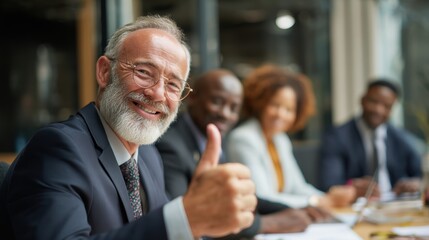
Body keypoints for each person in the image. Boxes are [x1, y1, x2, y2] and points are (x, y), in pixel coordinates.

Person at [0, 15, 257, 240]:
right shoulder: (58, 149)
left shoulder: (148, 155)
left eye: (172, 85)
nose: (157, 93)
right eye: (144, 72)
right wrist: (186, 218)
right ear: (104, 72)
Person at [155, 69, 333, 238]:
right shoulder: (172, 145)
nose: (225, 114)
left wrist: (294, 210)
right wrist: (269, 223)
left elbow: (243, 197)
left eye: (233, 108)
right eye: (217, 101)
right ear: (192, 97)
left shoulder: (217, 136)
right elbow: (186, 217)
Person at [225, 64, 355, 209]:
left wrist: (328, 198)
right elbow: (263, 197)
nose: (281, 114)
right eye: (275, 105)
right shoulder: (244, 138)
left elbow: (297, 187)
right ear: (261, 103)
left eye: (289, 109)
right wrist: (316, 202)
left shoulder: (280, 139)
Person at [318, 79, 422, 200]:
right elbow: (329, 183)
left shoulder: (400, 138)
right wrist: (351, 187)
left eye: (386, 106)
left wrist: (413, 184)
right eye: (374, 102)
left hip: (396, 205)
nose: (378, 110)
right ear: (362, 100)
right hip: (355, 208)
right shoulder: (337, 136)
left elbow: (418, 176)